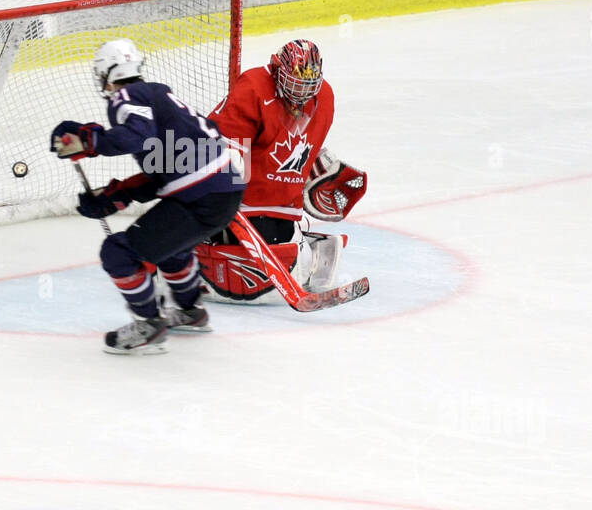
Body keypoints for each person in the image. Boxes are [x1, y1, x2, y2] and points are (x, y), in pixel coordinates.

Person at [51, 38, 243, 354]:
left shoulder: (126, 96)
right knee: (170, 250)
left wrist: (90, 140)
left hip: (201, 198)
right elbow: (165, 169)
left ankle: (148, 325)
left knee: (118, 254)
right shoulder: (157, 94)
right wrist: (117, 195)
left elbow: (137, 135)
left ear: (105, 74)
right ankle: (190, 312)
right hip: (223, 193)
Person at [201, 39, 367, 302]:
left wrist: (316, 164)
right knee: (220, 248)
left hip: (280, 200)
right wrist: (224, 198)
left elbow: (304, 145)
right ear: (278, 71)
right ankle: (310, 245)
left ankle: (309, 244)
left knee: (268, 252)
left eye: (308, 85)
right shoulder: (254, 87)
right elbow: (224, 144)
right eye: (295, 83)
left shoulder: (324, 97)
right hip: (242, 192)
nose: (301, 93)